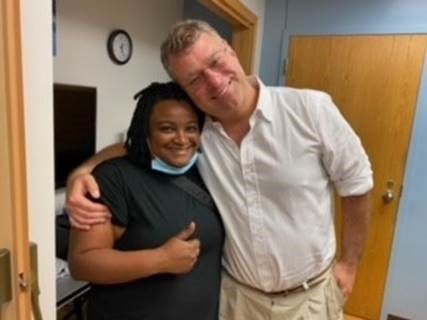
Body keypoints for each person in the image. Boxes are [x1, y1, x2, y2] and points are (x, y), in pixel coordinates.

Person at [67, 20, 373, 320]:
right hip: (237, 300)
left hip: (310, 299)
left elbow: (357, 184)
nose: (214, 81)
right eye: (195, 80)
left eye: (216, 61)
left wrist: (349, 264)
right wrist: (82, 173)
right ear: (186, 90)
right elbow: (139, 143)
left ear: (230, 50)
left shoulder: (310, 109)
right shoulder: (198, 133)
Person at [67, 81, 224, 320]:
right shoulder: (113, 178)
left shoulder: (206, 170)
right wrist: (160, 260)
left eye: (191, 128)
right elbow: (82, 262)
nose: (182, 139)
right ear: (146, 131)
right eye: (167, 128)